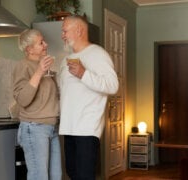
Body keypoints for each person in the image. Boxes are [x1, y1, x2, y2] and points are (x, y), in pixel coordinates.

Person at [59, 15, 119, 180]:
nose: (62, 35)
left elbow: (113, 85)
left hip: (86, 128)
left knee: (85, 176)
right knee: (72, 173)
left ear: (79, 30)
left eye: (65, 31)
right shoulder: (64, 60)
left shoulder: (98, 54)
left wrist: (84, 73)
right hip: (68, 127)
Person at [12, 29, 61, 180]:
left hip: (51, 128)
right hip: (34, 128)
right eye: (41, 42)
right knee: (39, 177)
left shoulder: (45, 68)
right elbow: (22, 99)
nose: (46, 44)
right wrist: (39, 72)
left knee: (56, 176)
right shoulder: (23, 66)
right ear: (29, 49)